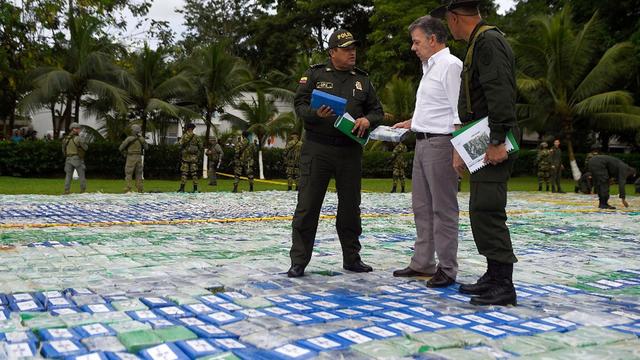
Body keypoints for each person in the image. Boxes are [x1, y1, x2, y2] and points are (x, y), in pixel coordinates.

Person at [432, 0, 518, 305]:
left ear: (454, 18)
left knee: (489, 209)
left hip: (493, 140)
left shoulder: (488, 42)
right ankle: (494, 275)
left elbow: (500, 93)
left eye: (447, 21)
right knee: (482, 209)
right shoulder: (480, 41)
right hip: (483, 138)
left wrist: (496, 141)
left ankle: (503, 284)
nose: (448, 26)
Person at [287, 29, 384, 278]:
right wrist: (314, 114)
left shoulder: (362, 80)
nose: (352, 53)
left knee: (351, 207)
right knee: (308, 206)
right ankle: (299, 261)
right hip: (318, 149)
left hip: (350, 150)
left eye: (354, 48)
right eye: (347, 49)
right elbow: (299, 104)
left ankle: (352, 258)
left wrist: (366, 120)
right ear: (333, 52)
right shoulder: (315, 74)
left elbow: (377, 111)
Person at [391, 16, 461, 287]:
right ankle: (422, 263)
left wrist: (457, 149)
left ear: (433, 40)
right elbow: (436, 107)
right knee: (421, 207)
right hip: (422, 142)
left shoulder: (450, 65)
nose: (413, 48)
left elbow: (457, 112)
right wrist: (414, 122)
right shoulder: (429, 67)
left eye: (416, 42)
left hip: (442, 145)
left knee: (443, 209)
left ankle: (447, 268)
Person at [119, 124, 148, 193]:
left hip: (131, 157)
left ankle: (128, 187)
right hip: (139, 157)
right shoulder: (142, 139)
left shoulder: (129, 139)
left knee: (128, 172)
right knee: (139, 173)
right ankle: (140, 188)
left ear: (133, 131)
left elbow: (121, 148)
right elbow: (146, 148)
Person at [62, 123, 88, 194]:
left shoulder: (66, 139)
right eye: (78, 128)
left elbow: (63, 150)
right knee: (81, 174)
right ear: (74, 129)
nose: (79, 130)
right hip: (77, 158)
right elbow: (85, 148)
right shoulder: (78, 138)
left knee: (68, 175)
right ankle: (83, 190)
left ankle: (66, 190)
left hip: (68, 159)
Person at [178, 123, 203, 193]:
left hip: (185, 158)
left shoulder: (184, 136)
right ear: (193, 129)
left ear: (188, 128)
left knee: (184, 173)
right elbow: (201, 146)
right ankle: (195, 189)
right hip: (194, 158)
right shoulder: (196, 137)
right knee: (194, 174)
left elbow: (179, 145)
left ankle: (182, 188)